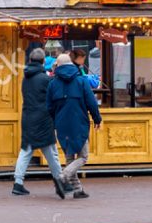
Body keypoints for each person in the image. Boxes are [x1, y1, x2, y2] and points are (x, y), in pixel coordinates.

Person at [12, 48, 68, 199]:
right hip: (43, 119)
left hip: (28, 117)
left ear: (30, 60)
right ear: (43, 61)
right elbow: (56, 95)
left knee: (26, 150)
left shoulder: (25, 78)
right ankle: (60, 181)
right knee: (51, 152)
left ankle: (18, 183)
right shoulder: (45, 79)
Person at [47, 52, 102, 200]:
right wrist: (97, 119)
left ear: (57, 66)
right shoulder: (81, 81)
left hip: (61, 125)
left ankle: (78, 189)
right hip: (79, 123)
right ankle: (62, 176)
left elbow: (49, 107)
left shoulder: (52, 83)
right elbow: (91, 102)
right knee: (83, 157)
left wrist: (54, 122)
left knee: (70, 157)